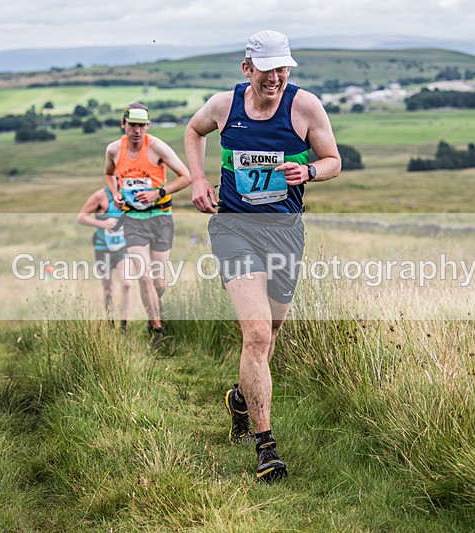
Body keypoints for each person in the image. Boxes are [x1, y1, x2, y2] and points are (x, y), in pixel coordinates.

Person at [184, 30, 341, 482]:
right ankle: (266, 447)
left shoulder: (305, 106)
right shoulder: (224, 105)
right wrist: (197, 180)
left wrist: (309, 170)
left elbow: (333, 159)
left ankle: (240, 397)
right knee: (255, 334)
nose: (275, 77)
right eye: (267, 68)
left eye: (283, 68)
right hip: (234, 228)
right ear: (247, 68)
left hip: (285, 233)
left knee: (270, 335)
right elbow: (194, 131)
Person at [104, 103, 191, 347]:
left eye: (142, 126)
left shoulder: (157, 147)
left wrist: (157, 192)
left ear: (148, 126)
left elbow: (186, 177)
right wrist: (116, 194)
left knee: (158, 281)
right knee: (143, 276)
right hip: (133, 220)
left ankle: (156, 306)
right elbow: (109, 174)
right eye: (132, 125)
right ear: (124, 124)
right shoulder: (113, 150)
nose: (137, 131)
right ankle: (157, 330)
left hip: (160, 217)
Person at [77, 186, 133, 330]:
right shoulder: (100, 196)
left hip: (122, 247)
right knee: (108, 290)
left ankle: (123, 326)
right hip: (103, 248)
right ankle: (110, 323)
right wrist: (102, 223)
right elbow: (81, 217)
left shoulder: (129, 193)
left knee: (127, 283)